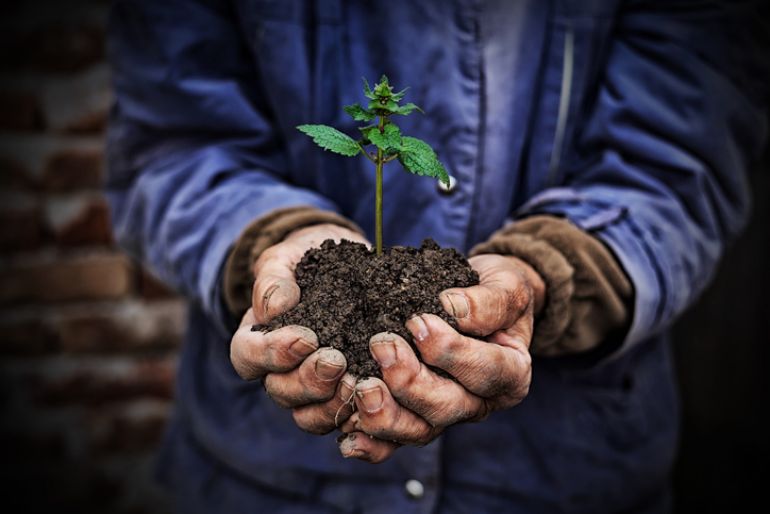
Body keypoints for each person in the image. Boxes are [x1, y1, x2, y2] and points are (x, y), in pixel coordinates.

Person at [105, 1, 769, 512]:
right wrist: (270, 239)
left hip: (564, 478)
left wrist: (555, 268)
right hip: (260, 481)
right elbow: (176, 141)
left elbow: (681, 146)